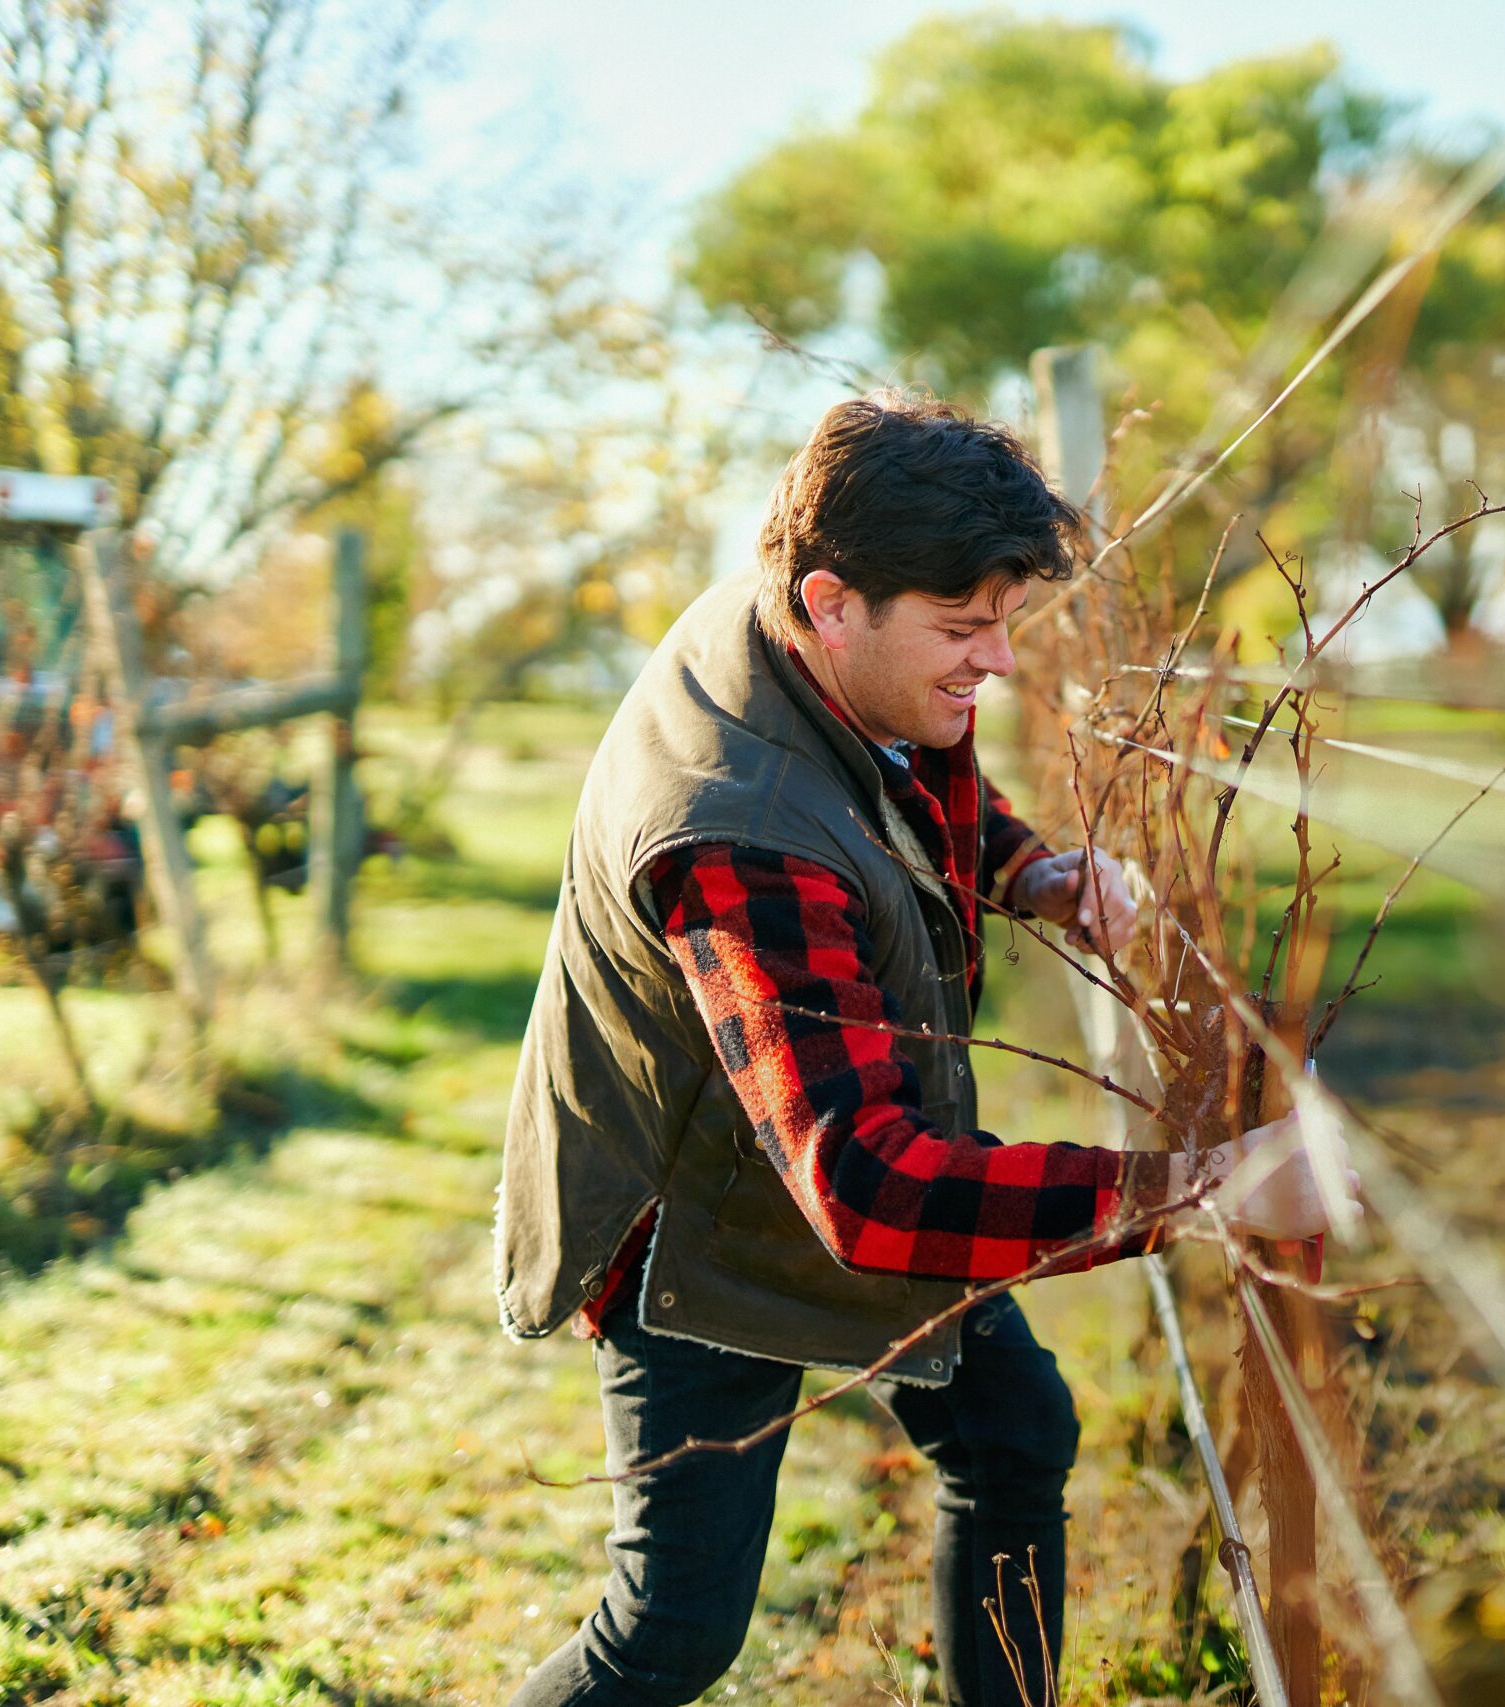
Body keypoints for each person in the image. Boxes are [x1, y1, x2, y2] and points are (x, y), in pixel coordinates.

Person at [496, 391, 1351, 1707]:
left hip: (791, 1133)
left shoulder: (802, 628)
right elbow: (875, 1192)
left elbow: (910, 752)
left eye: (1005, 622)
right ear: (834, 601)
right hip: (692, 1213)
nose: (996, 663)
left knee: (1014, 1434)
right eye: (965, 629)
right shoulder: (736, 840)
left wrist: (1029, 870)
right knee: (674, 1625)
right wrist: (1197, 1191)